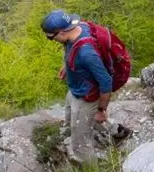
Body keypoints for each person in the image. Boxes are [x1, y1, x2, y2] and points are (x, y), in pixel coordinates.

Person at [41, 9, 119, 163]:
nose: (50, 39)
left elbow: (105, 82)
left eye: (50, 37)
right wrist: (67, 65)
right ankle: (116, 131)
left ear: (62, 33)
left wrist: (101, 109)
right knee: (72, 119)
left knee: (80, 145)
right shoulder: (78, 28)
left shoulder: (86, 53)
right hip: (76, 89)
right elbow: (69, 48)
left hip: (87, 97)